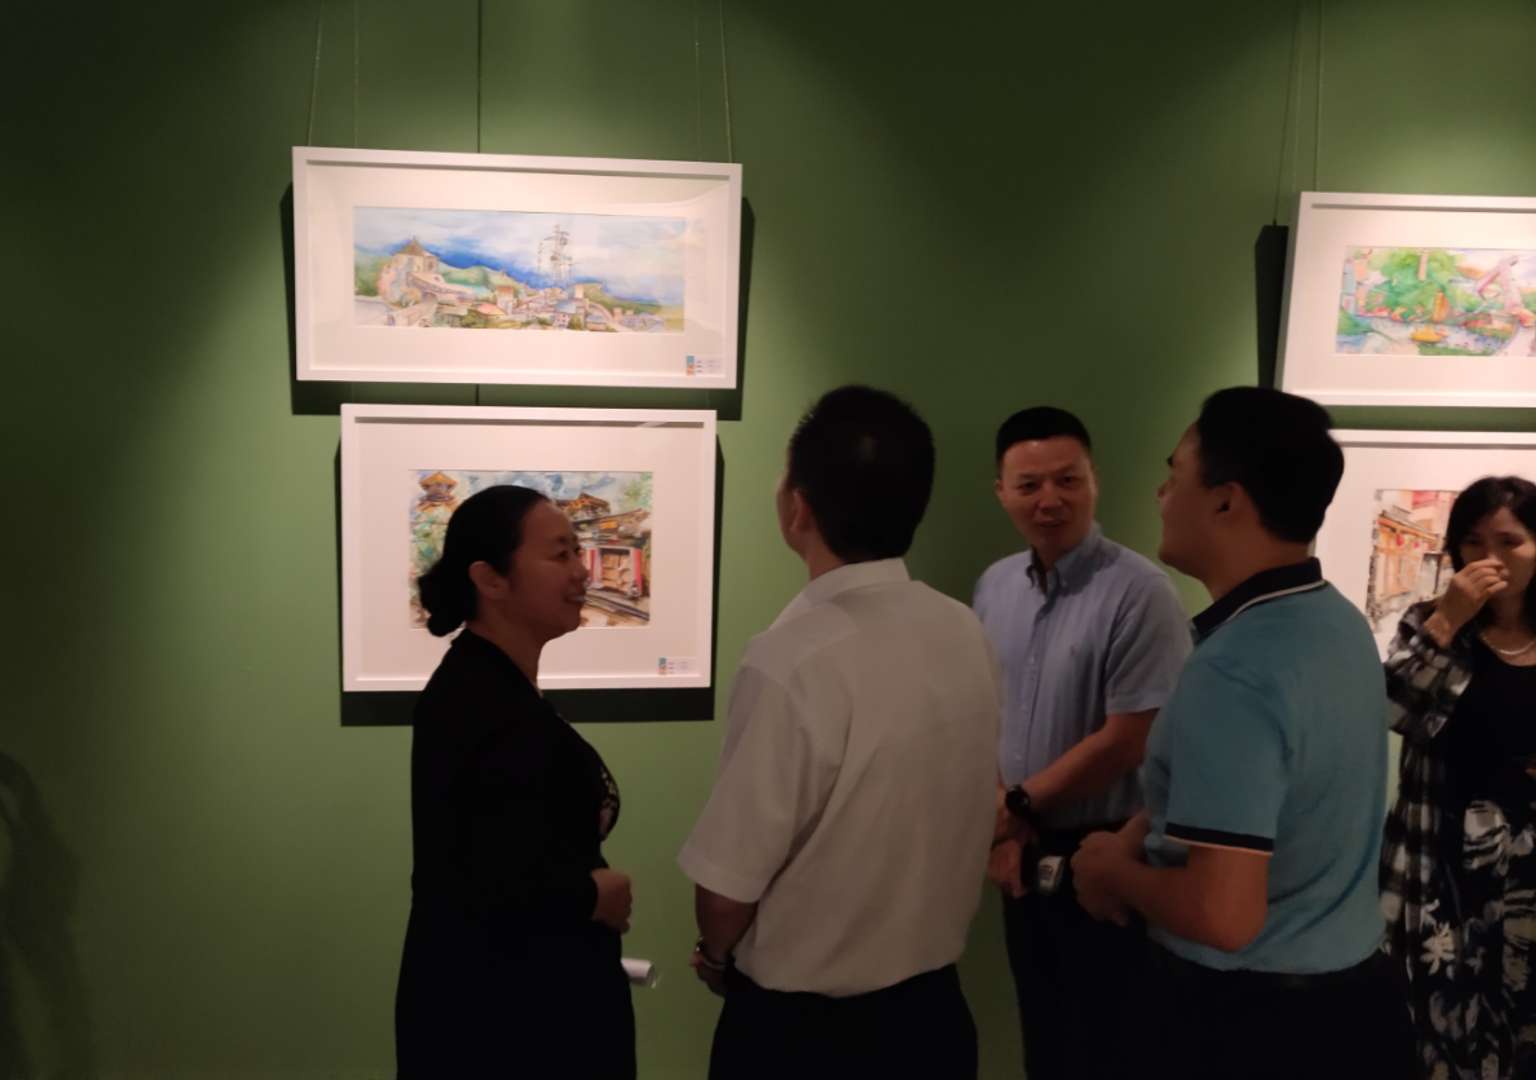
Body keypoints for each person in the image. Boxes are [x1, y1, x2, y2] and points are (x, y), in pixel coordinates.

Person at [1070, 386, 1414, 1080]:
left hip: (1252, 1025)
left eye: (1175, 473)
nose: (1162, 495)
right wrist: (1135, 834)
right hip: (1355, 1005)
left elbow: (1223, 915)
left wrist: (1112, 872)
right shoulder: (1337, 620)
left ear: (1226, 501)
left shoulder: (1236, 669)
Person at [678, 385, 1000, 1080]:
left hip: (805, 1038)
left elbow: (726, 889)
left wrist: (717, 955)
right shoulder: (964, 631)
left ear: (798, 508)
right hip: (935, 1021)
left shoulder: (790, 659)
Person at [973, 406, 1190, 1080]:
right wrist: (1005, 827)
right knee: (1044, 1041)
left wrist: (1016, 806)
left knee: (1111, 1048)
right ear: (1001, 492)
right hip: (1020, 846)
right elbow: (986, 715)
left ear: (1095, 481)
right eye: (1029, 485)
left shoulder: (1140, 593)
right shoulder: (994, 586)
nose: (1050, 500)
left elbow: (1130, 738)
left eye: (1068, 480)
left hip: (1109, 855)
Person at [394, 485, 636, 1079]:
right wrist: (593, 895)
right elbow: (479, 882)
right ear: (490, 578)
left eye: (577, 551)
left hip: (521, 1004)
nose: (581, 571)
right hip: (504, 1021)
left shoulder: (491, 687)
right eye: (559, 554)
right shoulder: (475, 700)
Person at [1381, 475, 1536, 1079]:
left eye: (1510, 541)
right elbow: (1392, 710)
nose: (1490, 558)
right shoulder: (1429, 622)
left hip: (1526, 872)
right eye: (1473, 542)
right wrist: (1447, 621)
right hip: (1438, 866)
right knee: (1435, 1027)